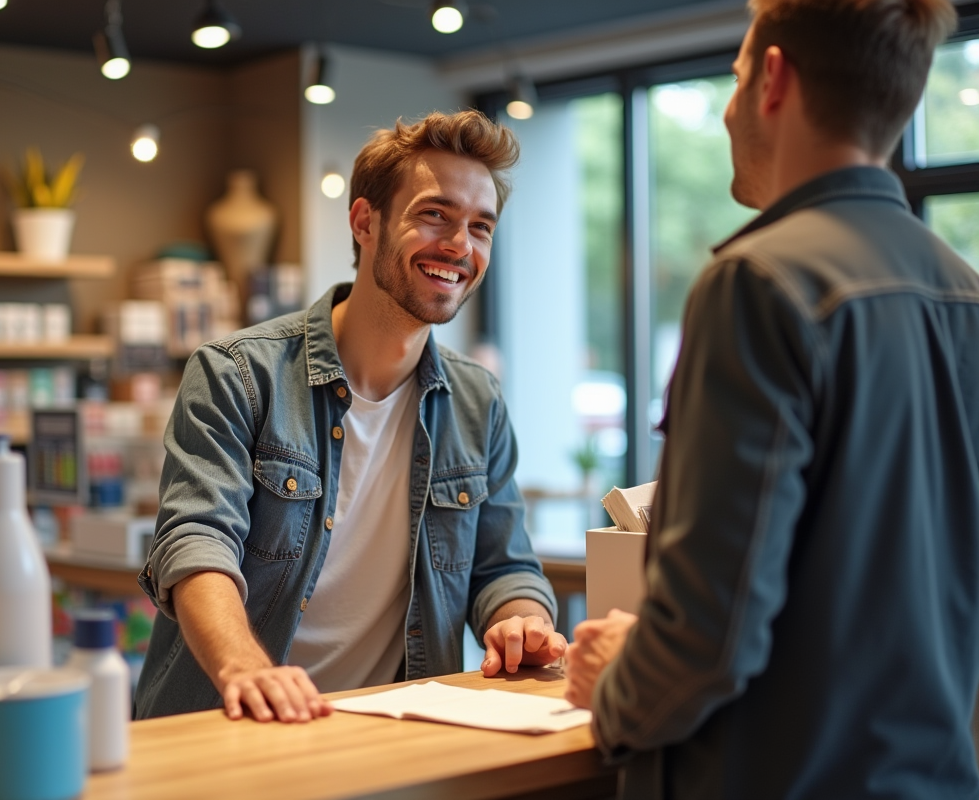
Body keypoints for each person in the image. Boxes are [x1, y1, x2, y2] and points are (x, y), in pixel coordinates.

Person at [564, 0, 979, 797]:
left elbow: (707, 639)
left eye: (734, 75)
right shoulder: (963, 291)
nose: (727, 107)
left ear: (774, 80)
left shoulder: (756, 284)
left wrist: (617, 684)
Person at [135, 110, 567, 723]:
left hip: (389, 736)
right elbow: (196, 541)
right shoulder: (237, 374)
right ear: (365, 222)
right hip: (230, 726)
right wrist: (244, 666)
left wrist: (522, 620)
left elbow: (504, 566)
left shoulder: (479, 402)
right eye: (434, 215)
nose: (460, 246)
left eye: (481, 227)